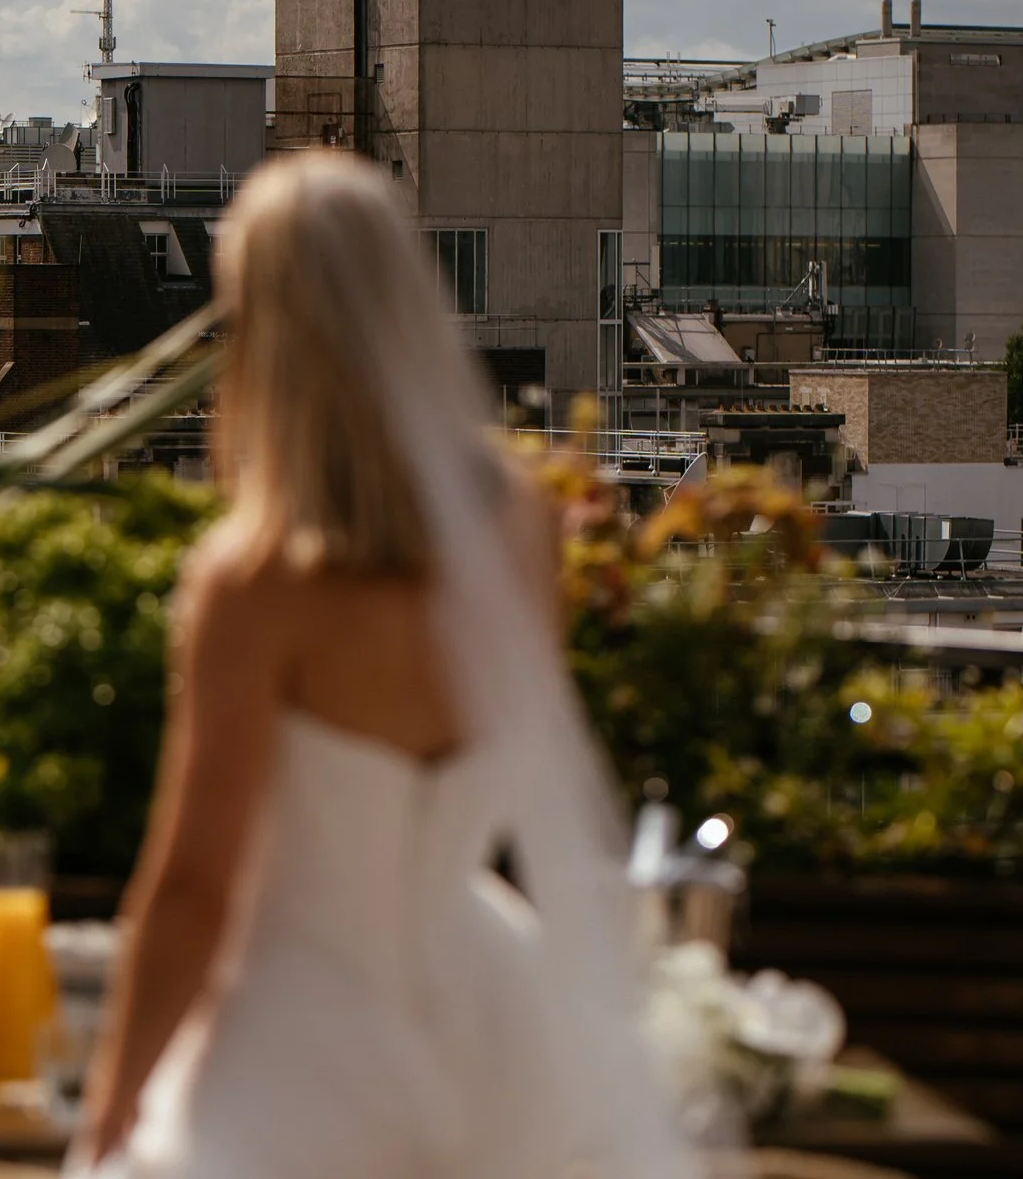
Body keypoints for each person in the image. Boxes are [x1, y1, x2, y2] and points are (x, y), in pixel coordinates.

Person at [72, 151, 693, 1179]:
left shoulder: (257, 579)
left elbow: (193, 888)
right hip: (497, 1024)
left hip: (301, 1046)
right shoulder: (523, 524)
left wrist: (109, 1104)